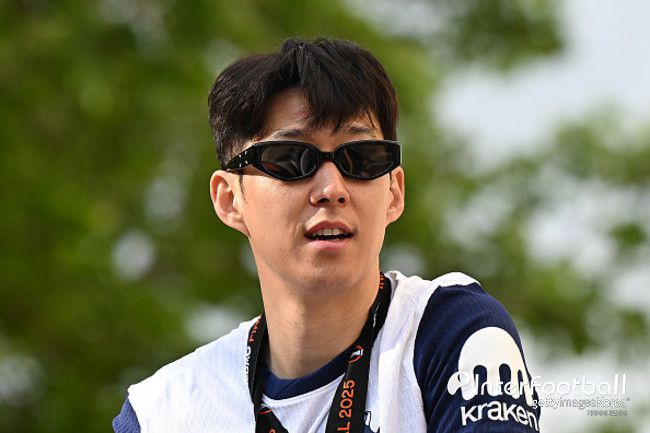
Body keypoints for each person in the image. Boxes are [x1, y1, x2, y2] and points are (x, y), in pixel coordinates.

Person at [113, 37, 541, 433]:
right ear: (230, 199)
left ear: (394, 192)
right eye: (290, 158)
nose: (331, 188)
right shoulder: (162, 412)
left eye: (361, 157)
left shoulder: (450, 331)